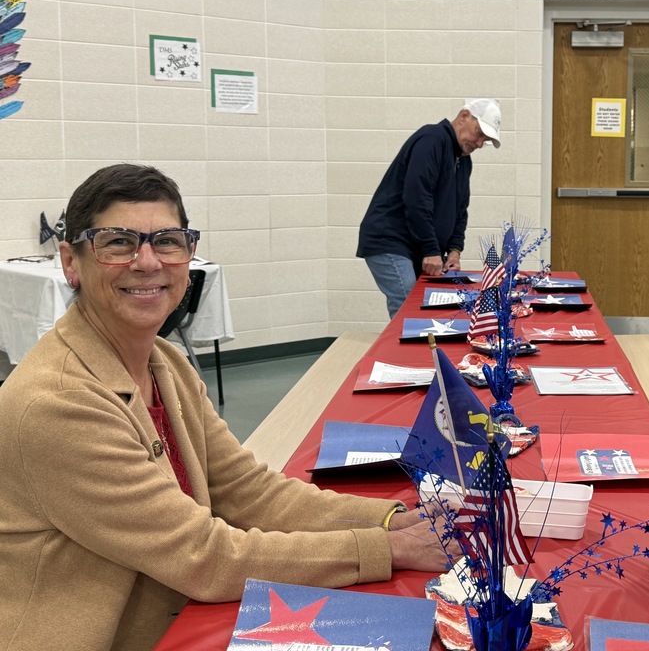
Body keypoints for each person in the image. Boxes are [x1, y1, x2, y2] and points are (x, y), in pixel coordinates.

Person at [0, 164, 453, 651]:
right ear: (71, 261)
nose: (147, 262)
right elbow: (203, 556)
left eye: (167, 241)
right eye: (117, 242)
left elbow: (247, 490)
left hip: (171, 606)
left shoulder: (164, 361)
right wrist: (385, 549)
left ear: (190, 254)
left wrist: (388, 519)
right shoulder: (59, 403)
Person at [357, 98, 501, 318]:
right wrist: (431, 250)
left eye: (486, 140)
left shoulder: (463, 160)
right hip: (390, 240)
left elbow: (460, 209)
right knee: (410, 308)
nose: (480, 143)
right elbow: (416, 198)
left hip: (414, 244)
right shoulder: (432, 139)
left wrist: (454, 249)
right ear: (464, 117)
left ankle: (417, 352)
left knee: (423, 307)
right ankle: (404, 354)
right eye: (479, 133)